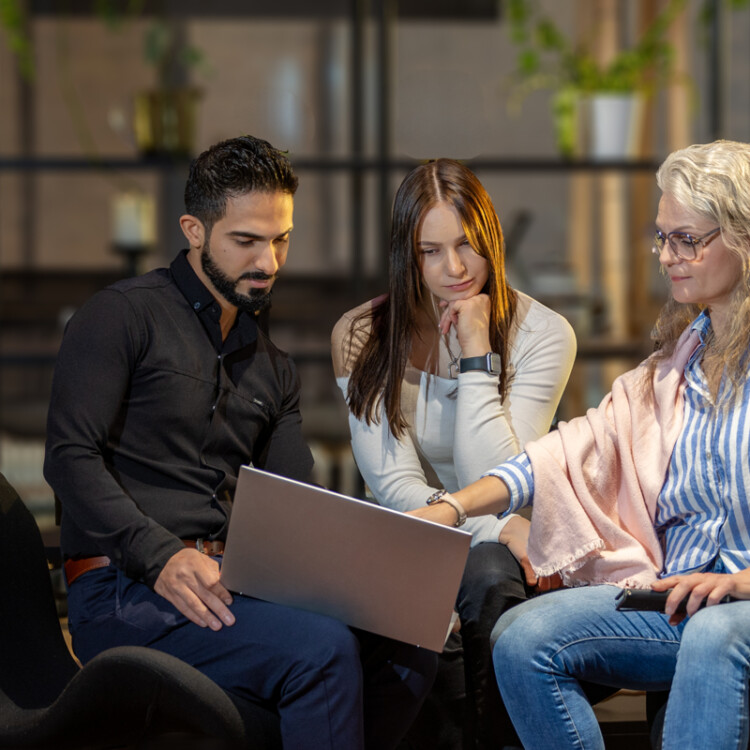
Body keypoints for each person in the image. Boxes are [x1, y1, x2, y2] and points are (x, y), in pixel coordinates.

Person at [43, 135, 437, 750]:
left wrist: (390, 591)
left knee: (416, 643)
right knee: (323, 653)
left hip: (236, 583)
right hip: (126, 589)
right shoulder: (120, 317)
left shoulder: (272, 367)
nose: (269, 262)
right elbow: (69, 460)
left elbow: (300, 505)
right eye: (246, 241)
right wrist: (161, 556)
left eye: (280, 239)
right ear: (193, 230)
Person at [412, 139, 750, 750]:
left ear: (743, 238)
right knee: (520, 639)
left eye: (687, 240)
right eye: (662, 237)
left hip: (740, 605)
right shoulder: (673, 368)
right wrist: (453, 507)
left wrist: (741, 583)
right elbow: (560, 454)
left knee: (715, 633)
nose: (667, 256)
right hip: (677, 597)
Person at [331, 158, 576, 748]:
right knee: (478, 564)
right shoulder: (362, 333)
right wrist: (498, 528)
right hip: (412, 540)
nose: (457, 268)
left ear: (491, 237)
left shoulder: (545, 334)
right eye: (431, 252)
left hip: (507, 560)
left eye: (468, 245)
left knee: (488, 575)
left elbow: (493, 474)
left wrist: (474, 354)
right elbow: (392, 490)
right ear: (406, 256)